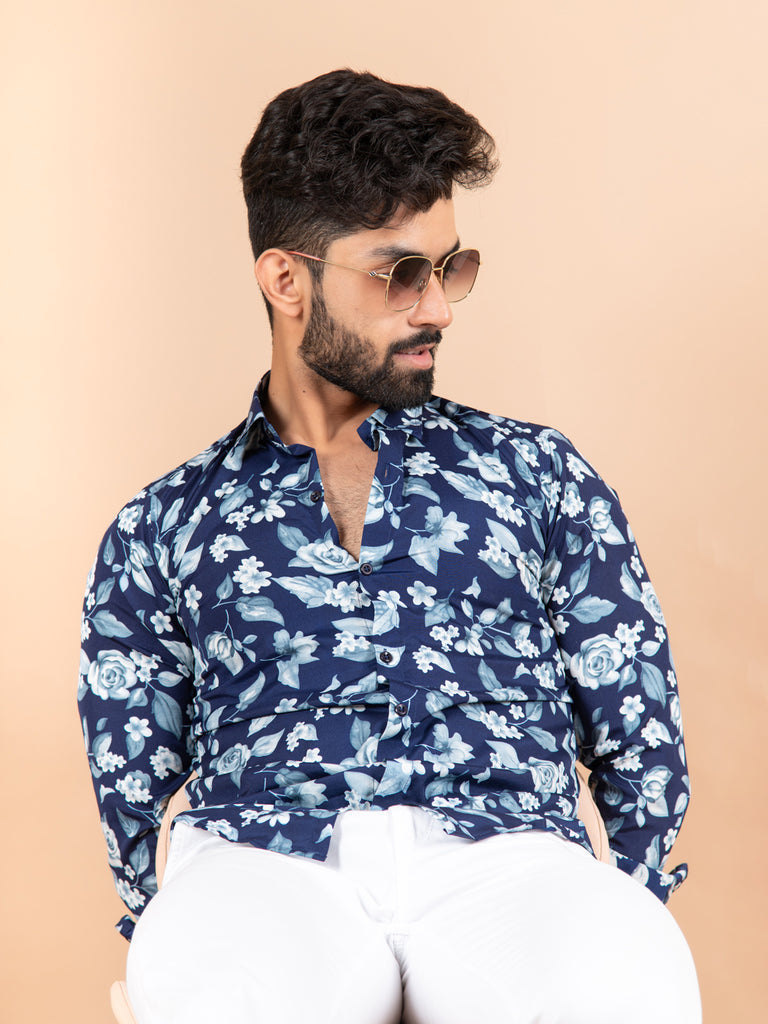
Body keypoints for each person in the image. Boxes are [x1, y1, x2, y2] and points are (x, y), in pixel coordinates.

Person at [78, 69, 701, 1024]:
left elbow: (637, 715)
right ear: (286, 280)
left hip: (510, 861)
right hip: (262, 863)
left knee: (619, 988)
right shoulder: (163, 524)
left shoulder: (538, 475)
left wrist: (631, 893)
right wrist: (167, 917)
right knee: (233, 1000)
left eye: (451, 267)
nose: (438, 308)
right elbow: (127, 762)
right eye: (400, 273)